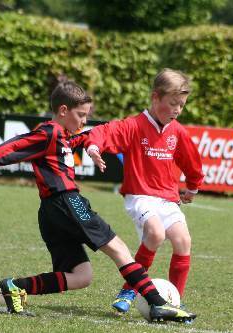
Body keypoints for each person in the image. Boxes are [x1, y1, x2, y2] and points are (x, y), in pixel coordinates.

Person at [0, 80, 196, 323]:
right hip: (67, 201)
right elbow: (16, 144)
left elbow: (84, 138)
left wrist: (93, 144)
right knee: (119, 249)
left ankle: (15, 286)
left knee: (81, 276)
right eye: (81, 115)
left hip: (50, 211)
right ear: (63, 110)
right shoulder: (50, 132)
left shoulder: (63, 137)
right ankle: (158, 303)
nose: (84, 121)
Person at [83, 68, 203, 314]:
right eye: (173, 104)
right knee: (156, 234)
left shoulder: (177, 131)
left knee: (183, 241)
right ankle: (129, 289)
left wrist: (192, 187)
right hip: (140, 196)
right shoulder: (134, 126)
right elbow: (105, 132)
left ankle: (174, 301)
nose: (177, 110)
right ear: (155, 97)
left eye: (181, 105)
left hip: (167, 198)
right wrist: (94, 147)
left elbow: (192, 161)